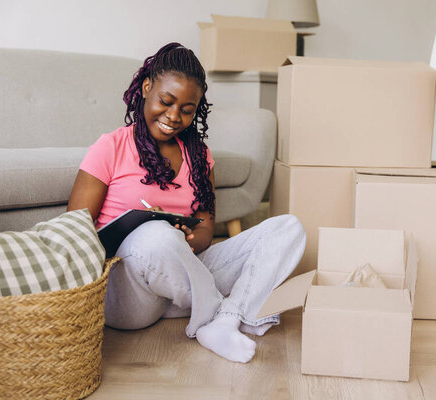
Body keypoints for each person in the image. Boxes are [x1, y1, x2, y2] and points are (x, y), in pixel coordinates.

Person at [67, 42, 305, 363]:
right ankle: (228, 311)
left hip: (182, 281)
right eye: (166, 102)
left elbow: (206, 229)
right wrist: (157, 234)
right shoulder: (110, 146)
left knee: (288, 228)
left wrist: (189, 237)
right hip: (129, 293)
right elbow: (73, 232)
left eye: (187, 110)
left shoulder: (199, 156)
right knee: (156, 237)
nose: (173, 116)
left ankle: (223, 320)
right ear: (147, 87)